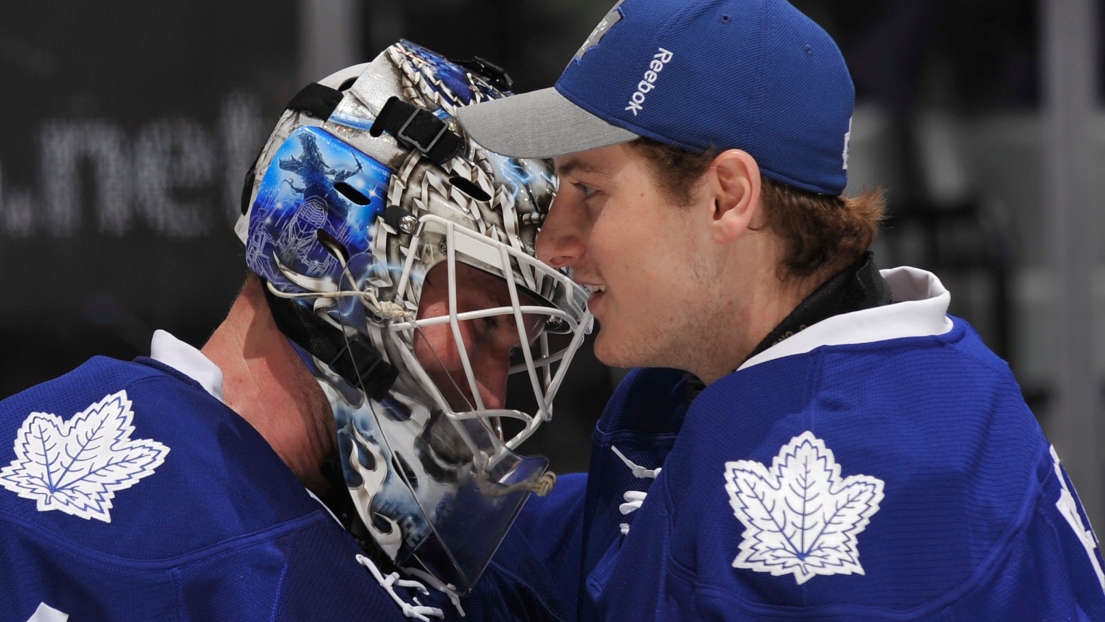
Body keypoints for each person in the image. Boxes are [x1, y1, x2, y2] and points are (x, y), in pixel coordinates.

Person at [454, 0, 1105, 618]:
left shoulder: (834, 507)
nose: (554, 244)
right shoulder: (832, 382)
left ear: (726, 198)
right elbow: (590, 558)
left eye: (589, 190)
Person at [0, 40, 591, 621]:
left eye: (514, 352)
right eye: (483, 327)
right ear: (335, 256)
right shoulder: (164, 553)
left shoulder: (475, 560)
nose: (492, 396)